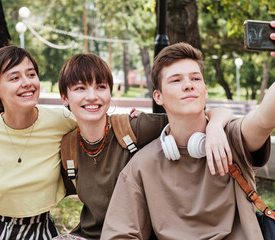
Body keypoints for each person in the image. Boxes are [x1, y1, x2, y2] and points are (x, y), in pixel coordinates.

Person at [101, 17, 275, 240]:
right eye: (176, 80)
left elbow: (265, 117)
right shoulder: (142, 165)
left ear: (205, 91)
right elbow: (118, 234)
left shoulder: (232, 139)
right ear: (158, 97)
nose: (188, 84)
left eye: (195, 78)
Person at [56, 53, 234, 240]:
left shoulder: (135, 127)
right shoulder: (68, 146)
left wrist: (215, 126)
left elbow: (192, 117)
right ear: (64, 98)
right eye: (80, 88)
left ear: (110, 92)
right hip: (87, 236)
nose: (92, 96)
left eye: (101, 87)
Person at [0, 46, 77, 240]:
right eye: (14, 78)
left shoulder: (63, 120)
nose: (27, 83)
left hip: (39, 229)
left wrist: (135, 120)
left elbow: (102, 126)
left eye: (31, 74)